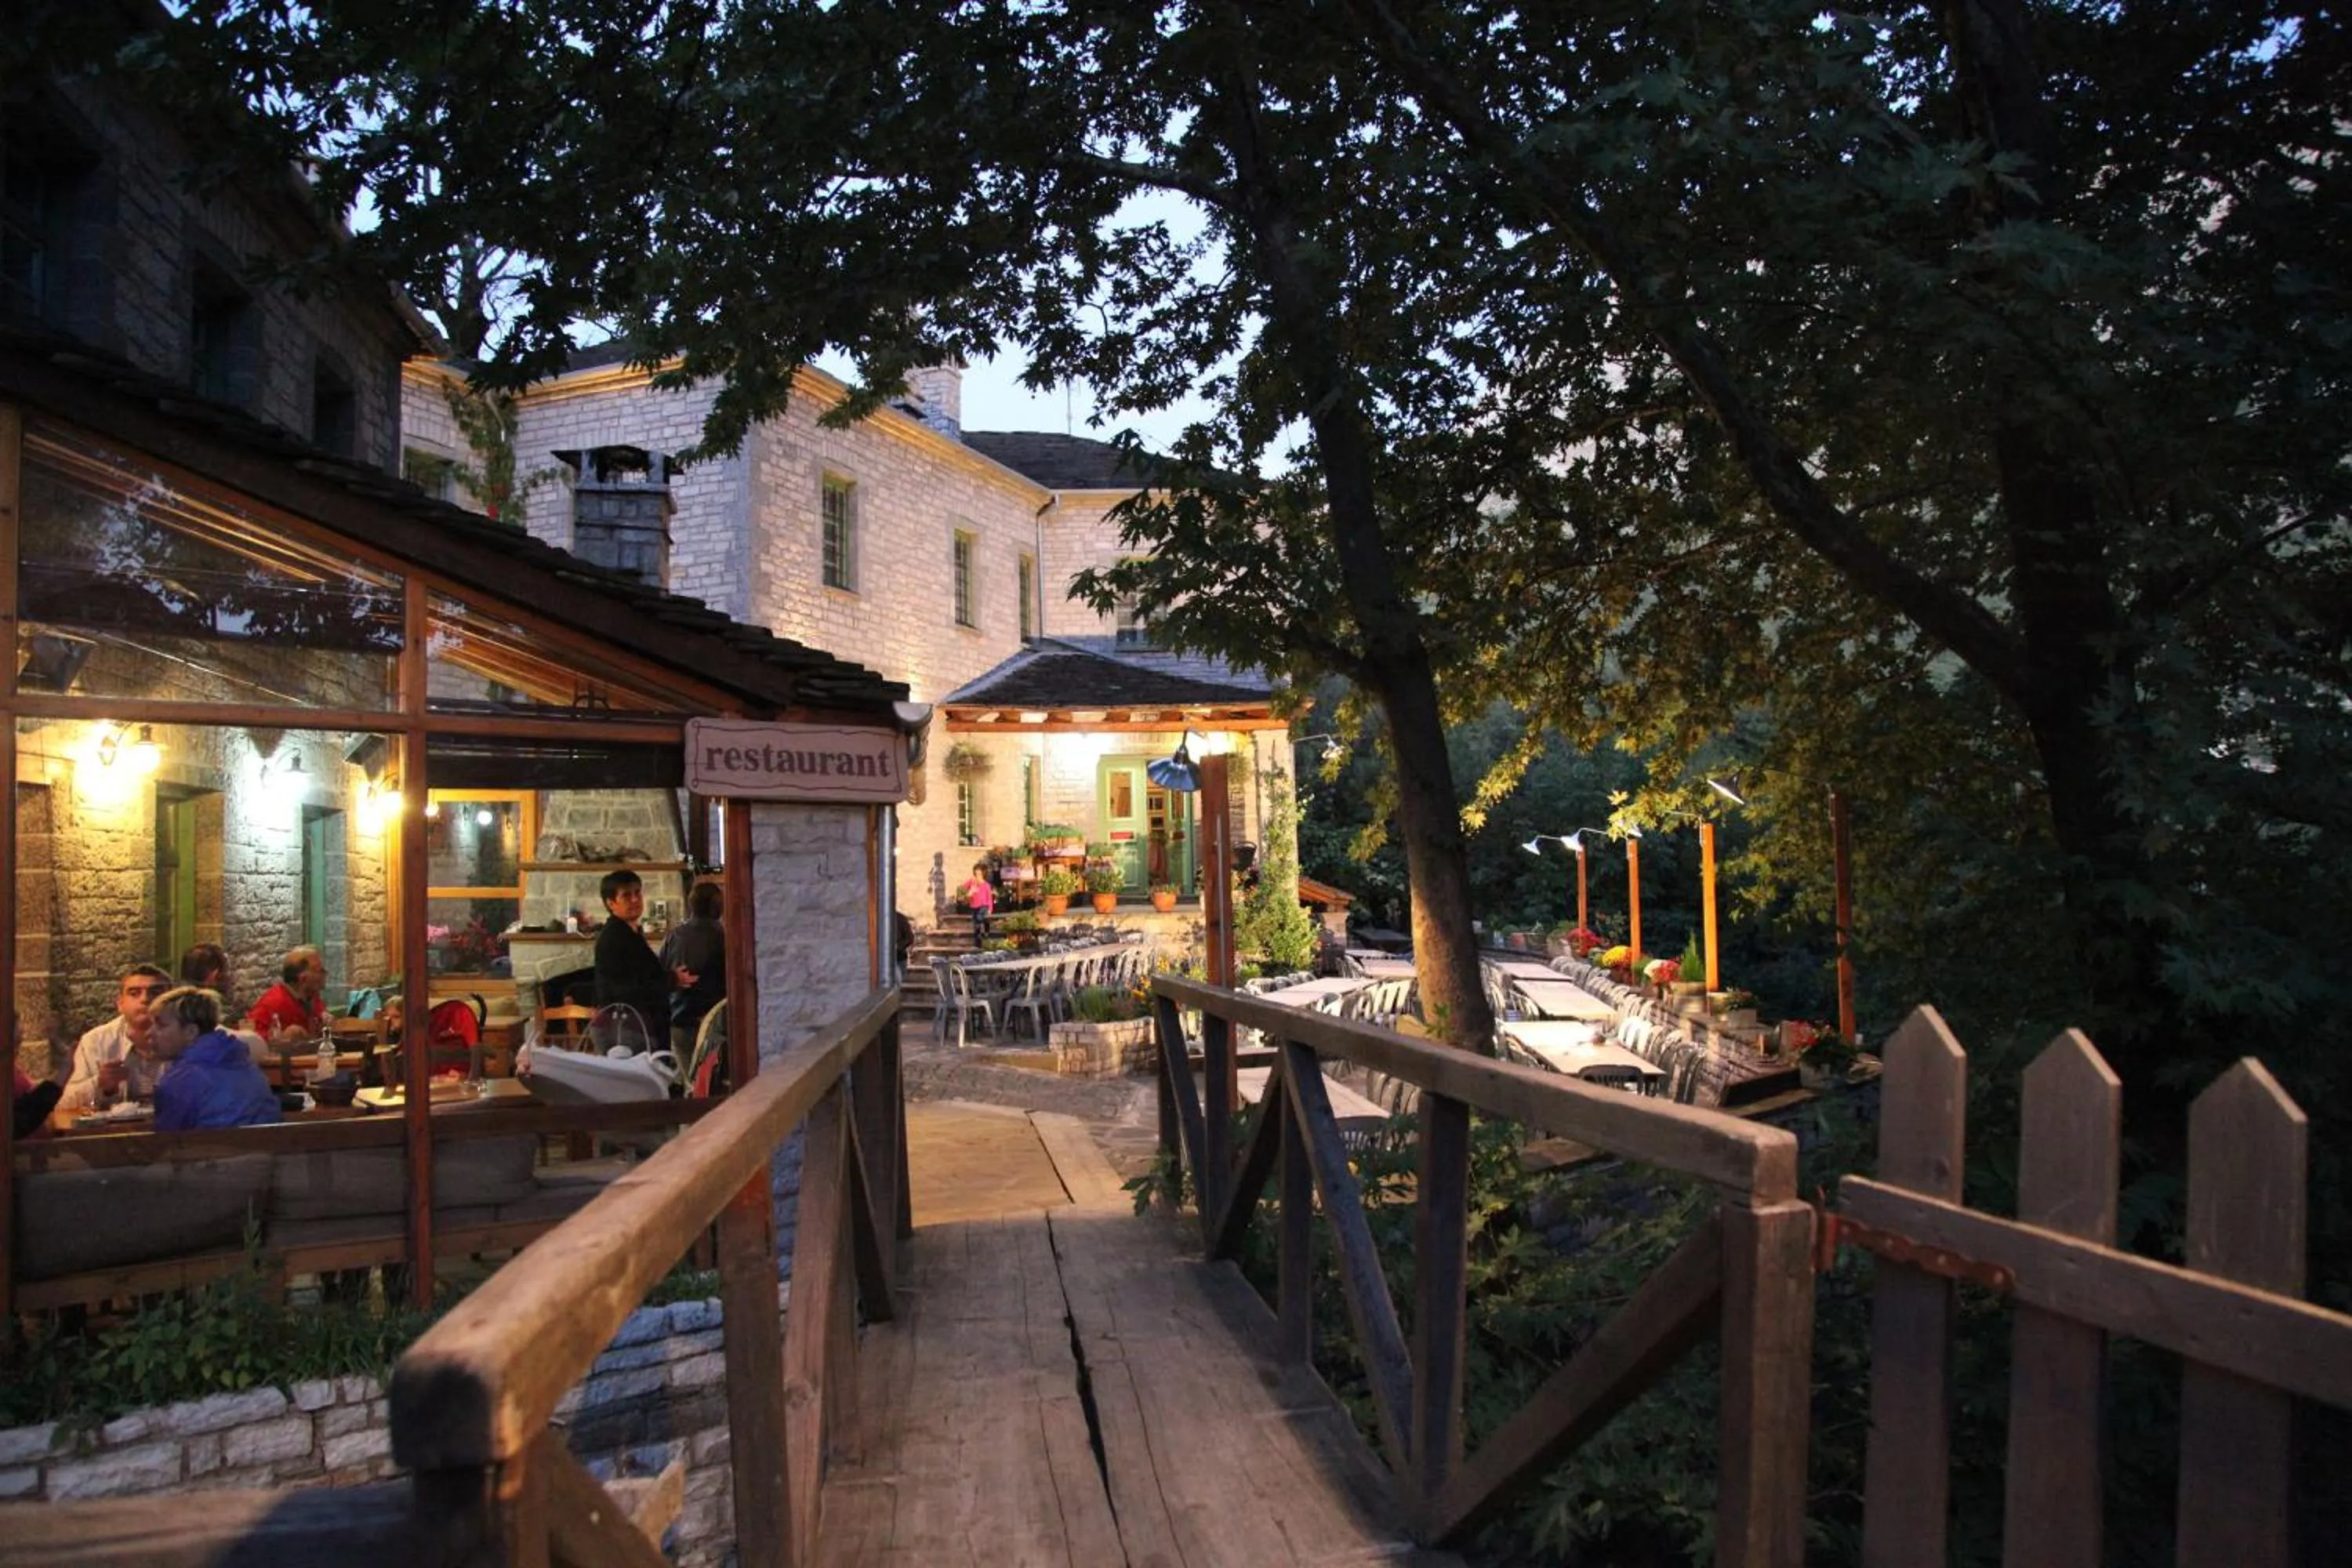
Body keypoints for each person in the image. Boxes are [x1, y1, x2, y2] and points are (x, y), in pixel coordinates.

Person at [149, 986, 281, 1131]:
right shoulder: (241, 1060)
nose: (151, 1032)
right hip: (270, 1150)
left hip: (214, 1152)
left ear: (190, 1032)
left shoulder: (182, 1078)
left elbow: (167, 1141)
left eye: (161, 1026)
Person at [58, 964, 172, 1112]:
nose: (145, 999)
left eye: (155, 992)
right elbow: (65, 1103)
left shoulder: (187, 1037)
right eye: (134, 993)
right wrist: (100, 1083)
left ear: (171, 1001)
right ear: (120, 1004)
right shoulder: (95, 1041)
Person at [593, 869, 670, 1043]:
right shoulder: (614, 937)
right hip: (625, 1028)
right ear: (611, 903)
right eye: (626, 895)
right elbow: (626, 989)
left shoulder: (631, 932)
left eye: (637, 893)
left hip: (639, 1024)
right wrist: (672, 980)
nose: (635, 900)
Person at [660, 880, 726, 1054]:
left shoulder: (673, 937)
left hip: (679, 1019)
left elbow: (660, 973)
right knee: (712, 1079)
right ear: (719, 907)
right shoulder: (724, 938)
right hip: (713, 1020)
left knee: (688, 1079)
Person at [247, 946, 328, 1044]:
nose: (325, 973)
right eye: (319, 970)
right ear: (303, 977)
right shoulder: (273, 1002)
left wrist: (325, 1018)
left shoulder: (312, 996)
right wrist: (282, 1037)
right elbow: (250, 1038)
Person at [12, 1019, 68, 1138]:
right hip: (26, 1153)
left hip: (38, 1149)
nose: (23, 1031)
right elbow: (23, 1117)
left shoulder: (12, 1067)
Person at [959, 862, 995, 940]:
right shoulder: (971, 882)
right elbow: (961, 888)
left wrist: (990, 909)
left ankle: (986, 931)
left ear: (983, 873)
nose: (977, 873)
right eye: (976, 871)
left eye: (979, 871)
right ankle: (978, 939)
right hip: (974, 906)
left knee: (980, 919)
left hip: (983, 906)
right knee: (976, 923)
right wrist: (968, 894)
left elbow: (989, 898)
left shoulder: (986, 885)